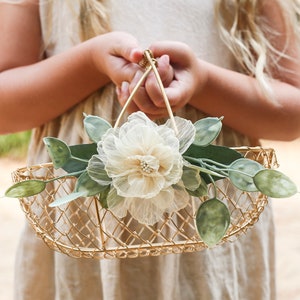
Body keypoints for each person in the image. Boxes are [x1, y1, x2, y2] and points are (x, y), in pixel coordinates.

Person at [1, 0, 300, 299]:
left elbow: (292, 112)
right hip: (86, 233)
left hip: (210, 232)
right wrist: (91, 63)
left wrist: (204, 83)